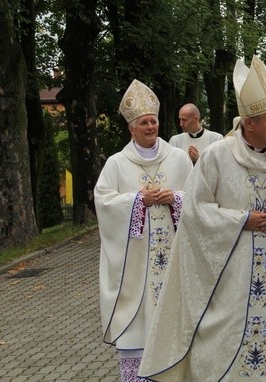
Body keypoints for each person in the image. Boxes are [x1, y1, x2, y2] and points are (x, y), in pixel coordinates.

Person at [138, 55, 266, 381]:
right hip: (227, 274)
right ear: (250, 123)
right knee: (226, 343)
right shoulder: (217, 156)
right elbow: (195, 212)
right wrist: (243, 220)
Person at [94, 79, 193, 382]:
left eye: (153, 121)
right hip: (136, 267)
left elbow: (197, 199)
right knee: (138, 326)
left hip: (173, 257)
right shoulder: (116, 164)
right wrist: (138, 200)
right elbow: (105, 203)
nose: (150, 127)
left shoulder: (177, 159)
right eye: (144, 123)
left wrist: (174, 198)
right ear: (131, 129)